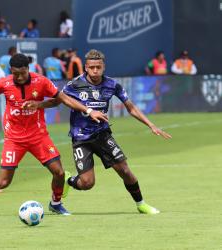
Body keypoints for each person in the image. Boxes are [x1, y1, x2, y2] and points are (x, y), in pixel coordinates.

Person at [24, 49, 172, 214]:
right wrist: (38, 105)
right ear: (86, 67)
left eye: (98, 67)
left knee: (124, 170)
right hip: (81, 138)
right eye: (92, 67)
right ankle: (69, 180)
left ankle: (141, 204)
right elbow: (56, 101)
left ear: (103, 67)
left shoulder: (112, 85)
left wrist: (151, 125)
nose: (95, 70)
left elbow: (130, 107)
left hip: (102, 135)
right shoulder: (74, 84)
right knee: (87, 183)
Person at [0, 53, 108, 215]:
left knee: (59, 172)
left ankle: (55, 203)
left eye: (22, 73)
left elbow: (61, 99)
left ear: (28, 69)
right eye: (15, 74)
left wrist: (88, 110)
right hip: (14, 138)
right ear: (10, 71)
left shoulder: (41, 82)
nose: (19, 77)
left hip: (38, 136)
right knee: (4, 181)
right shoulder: (4, 83)